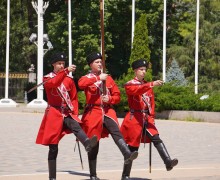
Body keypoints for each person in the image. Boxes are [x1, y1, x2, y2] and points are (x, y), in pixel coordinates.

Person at [35, 52, 98, 180]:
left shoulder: (69, 80)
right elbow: (55, 83)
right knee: (53, 146)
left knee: (76, 126)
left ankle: (87, 143)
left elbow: (73, 97)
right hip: (54, 113)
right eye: (59, 63)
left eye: (63, 64)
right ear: (53, 64)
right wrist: (65, 72)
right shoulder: (47, 78)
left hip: (66, 112)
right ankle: (52, 177)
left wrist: (74, 113)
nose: (61, 66)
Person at [78, 52, 138, 180]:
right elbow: (81, 84)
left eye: (101, 61)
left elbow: (117, 96)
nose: (100, 64)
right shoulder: (87, 77)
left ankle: (127, 154)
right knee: (94, 144)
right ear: (91, 64)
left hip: (107, 111)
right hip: (93, 112)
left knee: (117, 132)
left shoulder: (108, 78)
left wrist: (109, 98)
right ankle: (93, 175)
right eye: (97, 62)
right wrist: (98, 78)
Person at [120, 59, 178, 180]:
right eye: (141, 69)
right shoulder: (130, 84)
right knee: (132, 149)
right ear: (135, 71)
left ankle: (167, 162)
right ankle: (125, 175)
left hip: (146, 119)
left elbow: (151, 104)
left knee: (156, 138)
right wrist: (151, 84)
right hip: (135, 119)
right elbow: (137, 90)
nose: (143, 72)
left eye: (145, 70)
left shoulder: (147, 85)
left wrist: (152, 117)